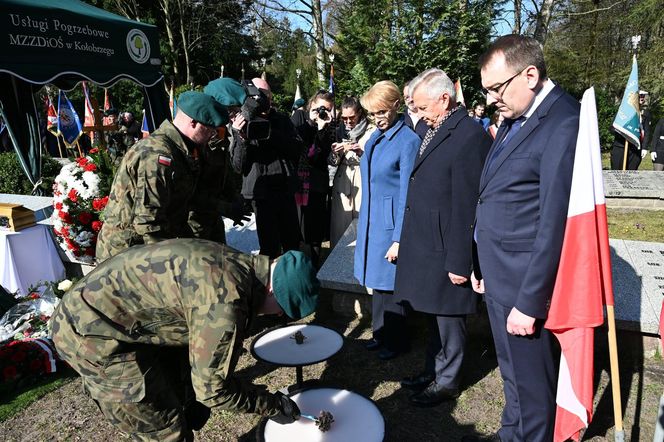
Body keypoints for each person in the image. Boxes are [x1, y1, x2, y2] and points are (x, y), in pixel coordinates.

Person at [52, 239, 319, 441]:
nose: (276, 315)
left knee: (175, 395)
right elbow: (213, 390)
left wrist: (187, 398)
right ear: (272, 289)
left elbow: (185, 327)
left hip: (115, 317)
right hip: (89, 335)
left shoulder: (238, 264)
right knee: (164, 429)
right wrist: (271, 405)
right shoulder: (226, 301)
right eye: (281, 309)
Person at [469, 34, 579, 442]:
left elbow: (554, 222)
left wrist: (530, 302)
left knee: (533, 386)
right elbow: (495, 192)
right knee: (511, 370)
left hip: (524, 284)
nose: (492, 99)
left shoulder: (563, 122)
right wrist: (480, 260)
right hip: (498, 272)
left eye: (496, 88)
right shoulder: (517, 117)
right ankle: (511, 432)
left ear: (529, 74)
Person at [395, 69, 491, 407]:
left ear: (444, 99)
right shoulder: (434, 127)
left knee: (449, 319)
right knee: (433, 313)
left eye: (422, 108)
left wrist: (460, 261)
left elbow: (468, 206)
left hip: (448, 246)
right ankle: (432, 371)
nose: (417, 115)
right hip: (427, 244)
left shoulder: (468, 136)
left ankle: (448, 381)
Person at [96, 91, 227, 261]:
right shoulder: (157, 155)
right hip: (128, 256)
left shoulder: (179, 149)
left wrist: (223, 207)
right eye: (210, 129)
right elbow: (148, 222)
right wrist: (169, 268)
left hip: (148, 248)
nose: (213, 135)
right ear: (193, 123)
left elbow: (184, 198)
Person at [354, 80, 419, 360]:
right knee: (378, 284)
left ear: (396, 105)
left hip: (391, 224)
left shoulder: (407, 141)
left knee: (391, 285)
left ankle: (397, 340)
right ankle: (380, 334)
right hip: (373, 220)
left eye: (381, 112)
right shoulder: (376, 137)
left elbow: (407, 193)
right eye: (372, 113)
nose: (377, 118)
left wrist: (398, 238)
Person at [230, 78, 303, 259]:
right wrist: (242, 138)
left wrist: (269, 133)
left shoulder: (282, 119)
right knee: (268, 247)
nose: (264, 99)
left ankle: (292, 281)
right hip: (261, 194)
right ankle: (269, 284)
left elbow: (297, 149)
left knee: (292, 242)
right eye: (259, 95)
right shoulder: (242, 121)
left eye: (267, 95)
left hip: (285, 189)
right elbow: (238, 166)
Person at [291, 90, 335, 265]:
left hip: (317, 185)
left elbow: (320, 155)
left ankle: (314, 269)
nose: (324, 112)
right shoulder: (300, 121)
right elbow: (301, 149)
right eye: (320, 108)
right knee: (296, 230)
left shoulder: (332, 127)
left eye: (328, 109)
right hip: (299, 185)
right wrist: (314, 124)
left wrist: (324, 128)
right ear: (311, 106)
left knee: (315, 232)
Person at [327, 96, 374, 248]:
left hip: (362, 178)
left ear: (360, 113)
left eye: (351, 117)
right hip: (342, 181)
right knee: (340, 226)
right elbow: (332, 162)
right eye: (344, 118)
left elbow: (377, 158)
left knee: (360, 221)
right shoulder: (338, 130)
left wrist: (360, 151)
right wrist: (335, 152)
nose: (347, 122)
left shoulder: (371, 130)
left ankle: (359, 260)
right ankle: (338, 263)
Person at [610, 90, 652, 170]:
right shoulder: (623, 111)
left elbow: (646, 132)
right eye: (640, 95)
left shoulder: (645, 113)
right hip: (620, 147)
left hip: (635, 150)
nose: (642, 98)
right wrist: (625, 132)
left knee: (631, 176)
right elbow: (612, 128)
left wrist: (645, 147)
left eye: (643, 96)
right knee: (616, 174)